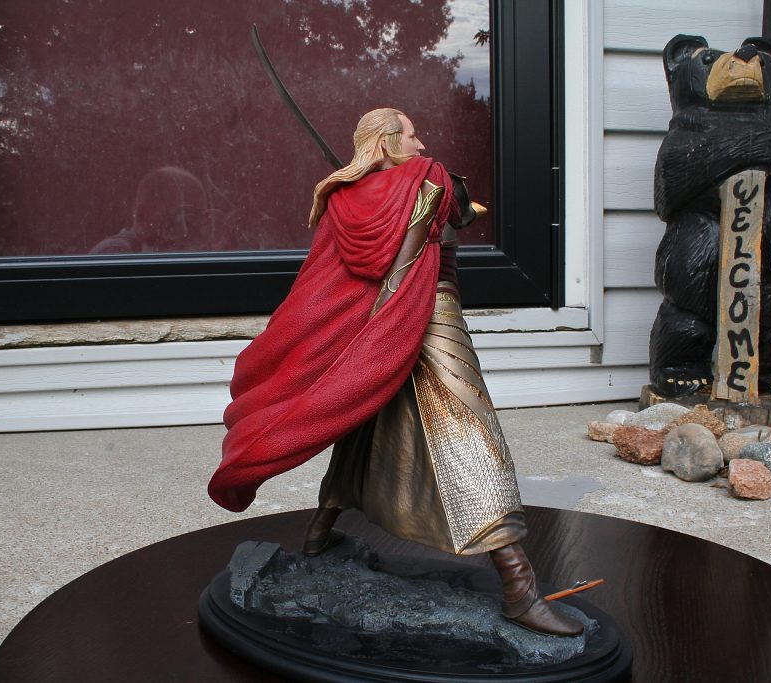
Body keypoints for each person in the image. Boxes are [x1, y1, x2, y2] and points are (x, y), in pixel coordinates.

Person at [208, 108, 582, 637]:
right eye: (410, 134)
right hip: (427, 313)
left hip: (378, 321)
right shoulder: (427, 177)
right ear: (385, 143)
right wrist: (390, 327)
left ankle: (319, 532)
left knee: (369, 417)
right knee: (471, 430)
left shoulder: (343, 198)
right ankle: (519, 587)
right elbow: (429, 243)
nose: (421, 142)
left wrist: (372, 337)